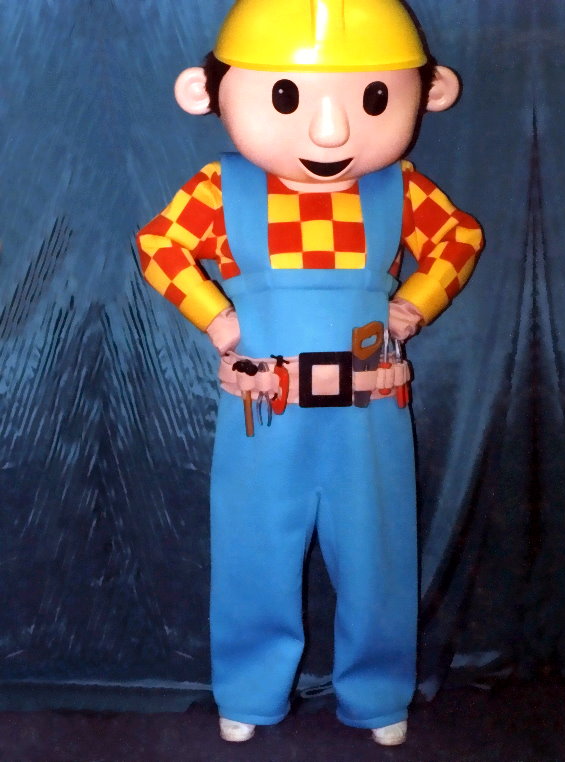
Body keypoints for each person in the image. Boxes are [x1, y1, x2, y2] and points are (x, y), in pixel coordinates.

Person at [136, 0, 484, 746]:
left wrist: (416, 303)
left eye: (373, 97)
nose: (331, 131)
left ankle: (380, 695)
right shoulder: (221, 188)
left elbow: (458, 237)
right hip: (264, 413)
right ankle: (247, 692)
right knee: (252, 548)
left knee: (378, 553)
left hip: (370, 415)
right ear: (206, 92)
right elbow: (159, 245)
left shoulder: (399, 188)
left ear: (430, 91)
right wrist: (216, 317)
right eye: (290, 96)